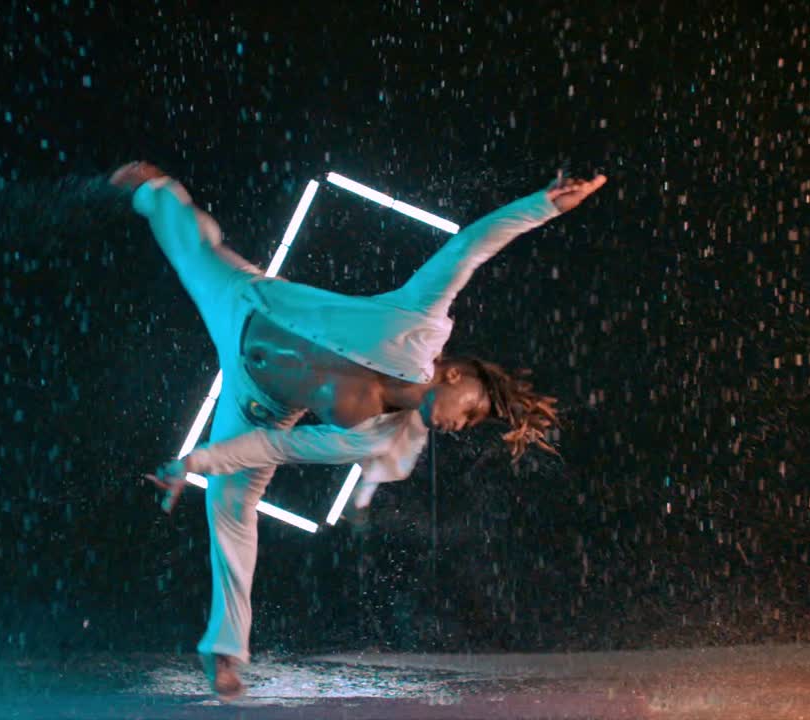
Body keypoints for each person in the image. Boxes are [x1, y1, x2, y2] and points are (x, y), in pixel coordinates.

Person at [109, 160, 605, 700]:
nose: (460, 425)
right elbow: (472, 247)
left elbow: (278, 443)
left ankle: (225, 647)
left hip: (259, 403)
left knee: (230, 505)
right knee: (193, 251)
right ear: (456, 374)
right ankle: (157, 191)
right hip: (248, 303)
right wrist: (543, 204)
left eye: (467, 426)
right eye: (470, 412)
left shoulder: (374, 436)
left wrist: (193, 463)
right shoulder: (419, 322)